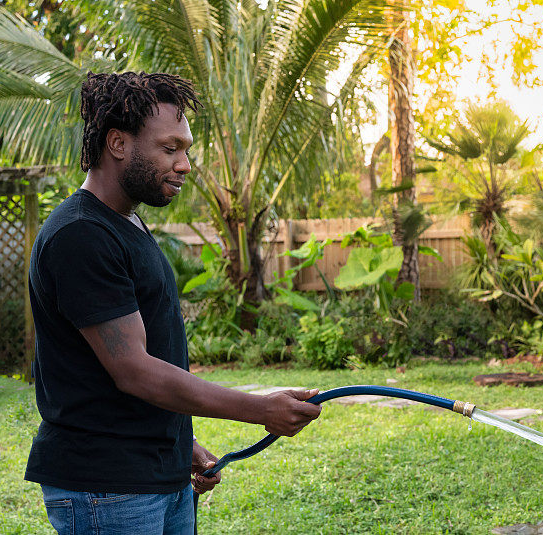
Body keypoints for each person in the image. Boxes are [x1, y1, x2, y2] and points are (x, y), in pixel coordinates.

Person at [25, 71, 322, 535]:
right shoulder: (81, 235)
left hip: (154, 476)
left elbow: (134, 365)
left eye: (185, 149)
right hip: (108, 488)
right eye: (170, 148)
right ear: (117, 143)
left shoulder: (127, 225)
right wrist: (259, 408)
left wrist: (182, 442)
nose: (185, 164)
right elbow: (134, 369)